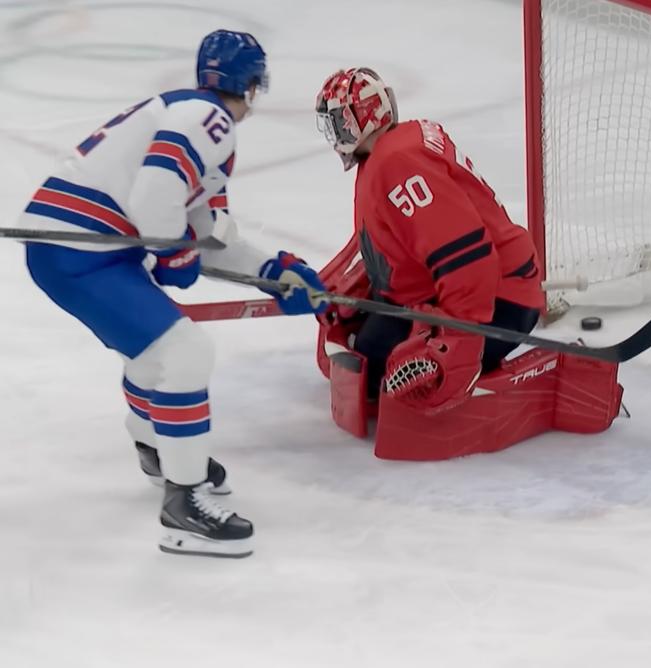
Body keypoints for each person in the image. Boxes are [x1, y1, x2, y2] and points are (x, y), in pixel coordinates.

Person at [18, 30, 328, 558]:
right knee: (184, 351)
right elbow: (156, 195)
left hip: (82, 249)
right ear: (251, 86)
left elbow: (204, 231)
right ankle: (184, 508)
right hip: (80, 252)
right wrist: (172, 252)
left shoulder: (191, 117)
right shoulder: (211, 120)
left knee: (155, 351)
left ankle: (159, 447)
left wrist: (273, 272)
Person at [314, 67, 544, 412]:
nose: (335, 134)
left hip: (498, 299)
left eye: (339, 122)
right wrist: (356, 282)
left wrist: (458, 337)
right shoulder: (386, 152)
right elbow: (394, 236)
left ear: (362, 119)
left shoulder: (399, 162)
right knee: (358, 353)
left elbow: (466, 255)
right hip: (456, 290)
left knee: (376, 367)